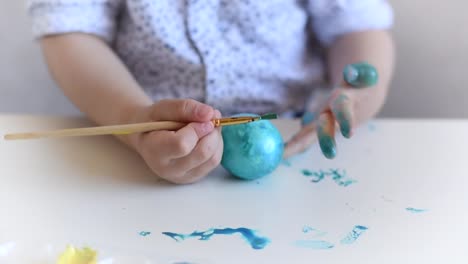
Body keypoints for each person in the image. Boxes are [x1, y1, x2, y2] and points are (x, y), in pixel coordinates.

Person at [27, 0, 395, 184]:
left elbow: (358, 28)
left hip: (296, 137)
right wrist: (134, 121)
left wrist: (355, 94)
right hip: (138, 138)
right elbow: (70, 28)